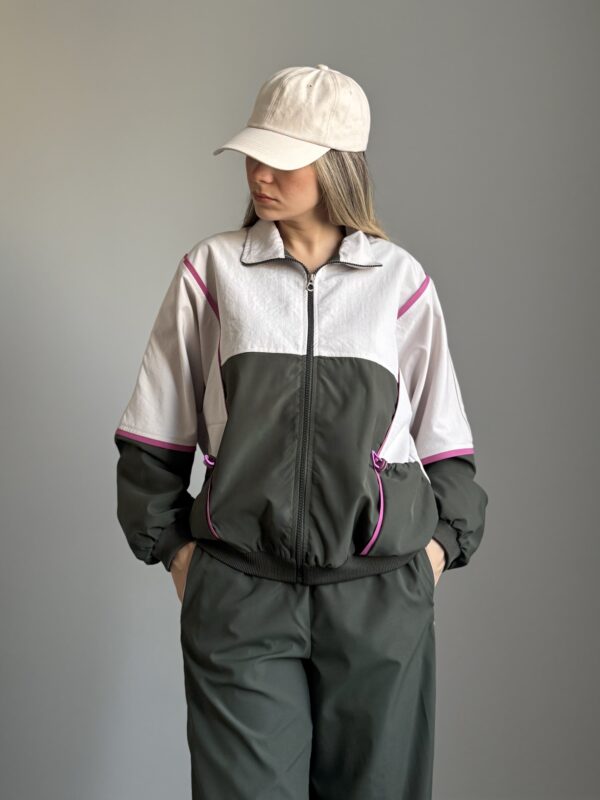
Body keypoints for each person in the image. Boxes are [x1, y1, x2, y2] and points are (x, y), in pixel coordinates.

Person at [114, 64, 488, 800]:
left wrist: (438, 550)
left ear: (338, 165)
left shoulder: (399, 282)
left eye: (282, 159)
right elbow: (153, 435)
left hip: (379, 599)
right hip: (241, 595)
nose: (260, 173)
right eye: (253, 155)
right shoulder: (212, 273)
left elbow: (445, 444)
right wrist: (179, 557)